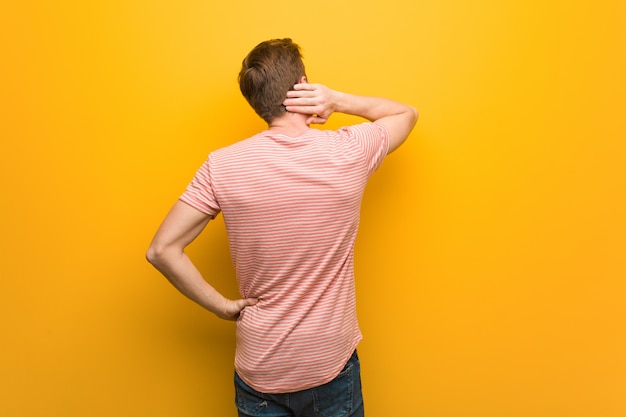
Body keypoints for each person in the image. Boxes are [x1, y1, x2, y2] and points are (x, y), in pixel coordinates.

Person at [146, 38, 418, 417]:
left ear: (256, 102)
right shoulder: (349, 150)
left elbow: (161, 250)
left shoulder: (222, 165)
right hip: (329, 364)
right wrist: (336, 100)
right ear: (302, 86)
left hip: (261, 368)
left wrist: (222, 307)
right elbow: (407, 114)